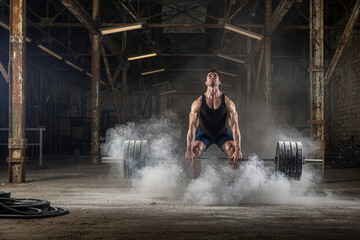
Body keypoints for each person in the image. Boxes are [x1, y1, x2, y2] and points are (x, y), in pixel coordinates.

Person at [185, 69, 243, 179]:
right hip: (204, 134)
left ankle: (231, 186)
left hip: (222, 134)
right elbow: (192, 128)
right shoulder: (197, 103)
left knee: (233, 150)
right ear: (206, 82)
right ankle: (197, 183)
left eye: (215, 76)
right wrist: (188, 150)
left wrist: (238, 150)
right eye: (210, 76)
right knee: (194, 150)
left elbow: (235, 128)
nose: (212, 77)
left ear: (219, 82)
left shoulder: (228, 103)